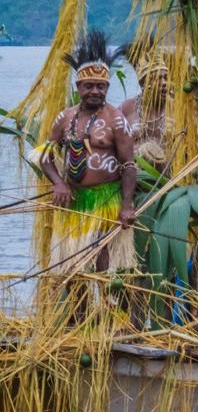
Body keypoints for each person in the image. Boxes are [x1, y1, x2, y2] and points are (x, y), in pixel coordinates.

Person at [39, 30, 137, 272]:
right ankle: (79, 311)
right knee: (73, 272)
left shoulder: (116, 119)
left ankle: (107, 310)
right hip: (74, 201)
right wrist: (58, 183)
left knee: (105, 269)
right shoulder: (65, 117)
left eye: (101, 87)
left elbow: (129, 165)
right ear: (78, 86)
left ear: (107, 87)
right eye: (89, 86)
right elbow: (45, 156)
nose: (95, 91)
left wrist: (126, 205)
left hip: (107, 201)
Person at [119, 41, 171, 171]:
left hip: (168, 180)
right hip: (135, 178)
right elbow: (111, 141)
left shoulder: (176, 108)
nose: (165, 83)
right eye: (159, 79)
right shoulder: (126, 108)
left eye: (166, 78)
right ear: (144, 84)